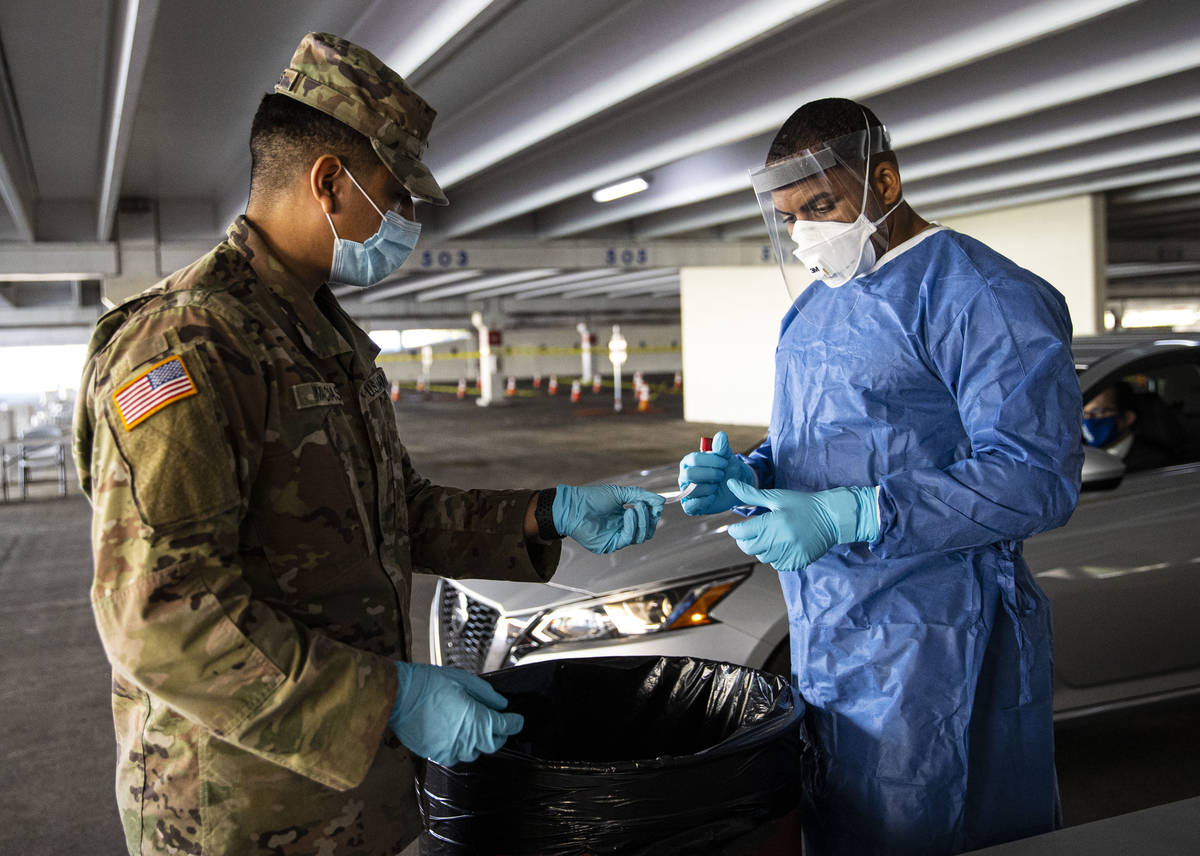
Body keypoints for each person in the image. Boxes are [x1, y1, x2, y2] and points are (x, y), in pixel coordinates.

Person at [72, 32, 664, 856]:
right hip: (236, 807)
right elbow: (159, 616)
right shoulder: (189, 345)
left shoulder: (318, 333)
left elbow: (390, 513)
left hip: (349, 794)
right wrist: (387, 699)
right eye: (396, 194)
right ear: (328, 184)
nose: (407, 221)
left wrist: (545, 513)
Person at [677, 98, 1083, 855]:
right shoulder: (814, 312)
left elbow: (1034, 476)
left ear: (885, 183)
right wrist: (751, 470)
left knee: (939, 822)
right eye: (790, 216)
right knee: (846, 824)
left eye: (821, 205)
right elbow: (841, 434)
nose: (805, 233)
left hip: (941, 635)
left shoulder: (982, 295)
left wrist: (858, 515)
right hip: (832, 630)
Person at [1083, 381, 1176, 471]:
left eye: (1097, 412)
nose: (1087, 418)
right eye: (1083, 413)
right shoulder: (1080, 453)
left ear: (1127, 418)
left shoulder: (1154, 463)